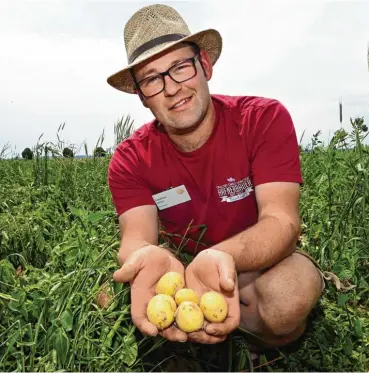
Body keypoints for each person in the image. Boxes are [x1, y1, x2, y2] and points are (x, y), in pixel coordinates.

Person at [106, 4, 326, 347]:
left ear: (204, 66)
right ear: (141, 96)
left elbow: (282, 222)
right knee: (113, 298)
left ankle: (241, 339)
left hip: (257, 262)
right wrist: (147, 257)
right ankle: (216, 338)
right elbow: (136, 239)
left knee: (286, 300)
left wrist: (222, 257)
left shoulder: (263, 119)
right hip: (180, 267)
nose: (172, 87)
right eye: (152, 79)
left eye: (180, 67)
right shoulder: (130, 158)